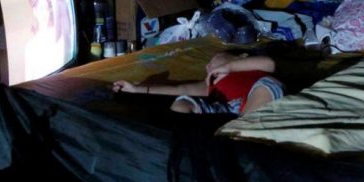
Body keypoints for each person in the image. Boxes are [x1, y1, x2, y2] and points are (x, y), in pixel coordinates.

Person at [112, 51, 284, 115]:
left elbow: (270, 63)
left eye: (214, 60)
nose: (208, 66)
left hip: (252, 103)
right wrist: (137, 89)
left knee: (270, 84)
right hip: (226, 111)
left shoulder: (251, 66)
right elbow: (180, 89)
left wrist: (230, 66)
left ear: (242, 56)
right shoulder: (212, 85)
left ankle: (240, 130)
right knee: (182, 102)